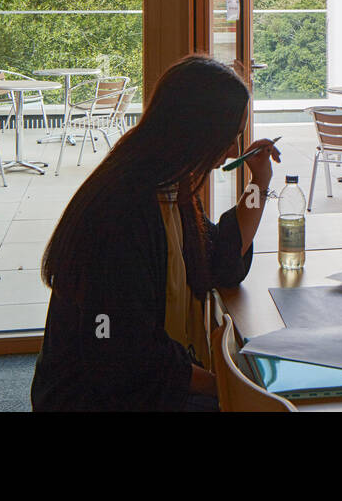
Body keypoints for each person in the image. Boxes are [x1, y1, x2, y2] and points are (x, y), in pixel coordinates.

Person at [31, 55, 281, 411]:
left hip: (132, 381)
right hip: (98, 398)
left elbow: (220, 260)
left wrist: (259, 182)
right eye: (229, 138)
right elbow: (129, 354)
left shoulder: (166, 185)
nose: (231, 152)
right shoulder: (124, 212)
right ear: (197, 132)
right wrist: (226, 388)